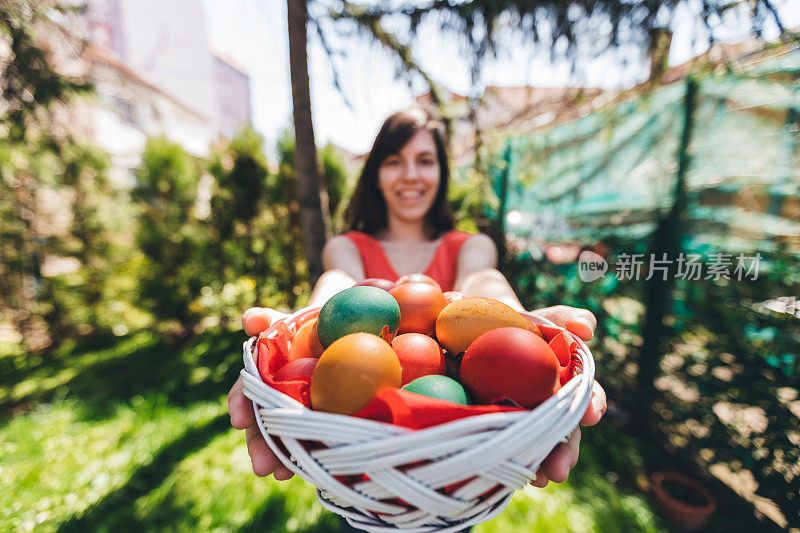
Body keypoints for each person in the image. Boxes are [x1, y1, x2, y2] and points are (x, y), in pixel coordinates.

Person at [227, 107, 607, 513]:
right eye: (394, 162)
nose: (411, 175)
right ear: (375, 173)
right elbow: (337, 284)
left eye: (425, 161)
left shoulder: (470, 245)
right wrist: (309, 321)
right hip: (359, 463)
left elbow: (483, 280)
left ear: (442, 172)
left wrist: (519, 326)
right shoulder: (348, 246)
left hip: (455, 469)